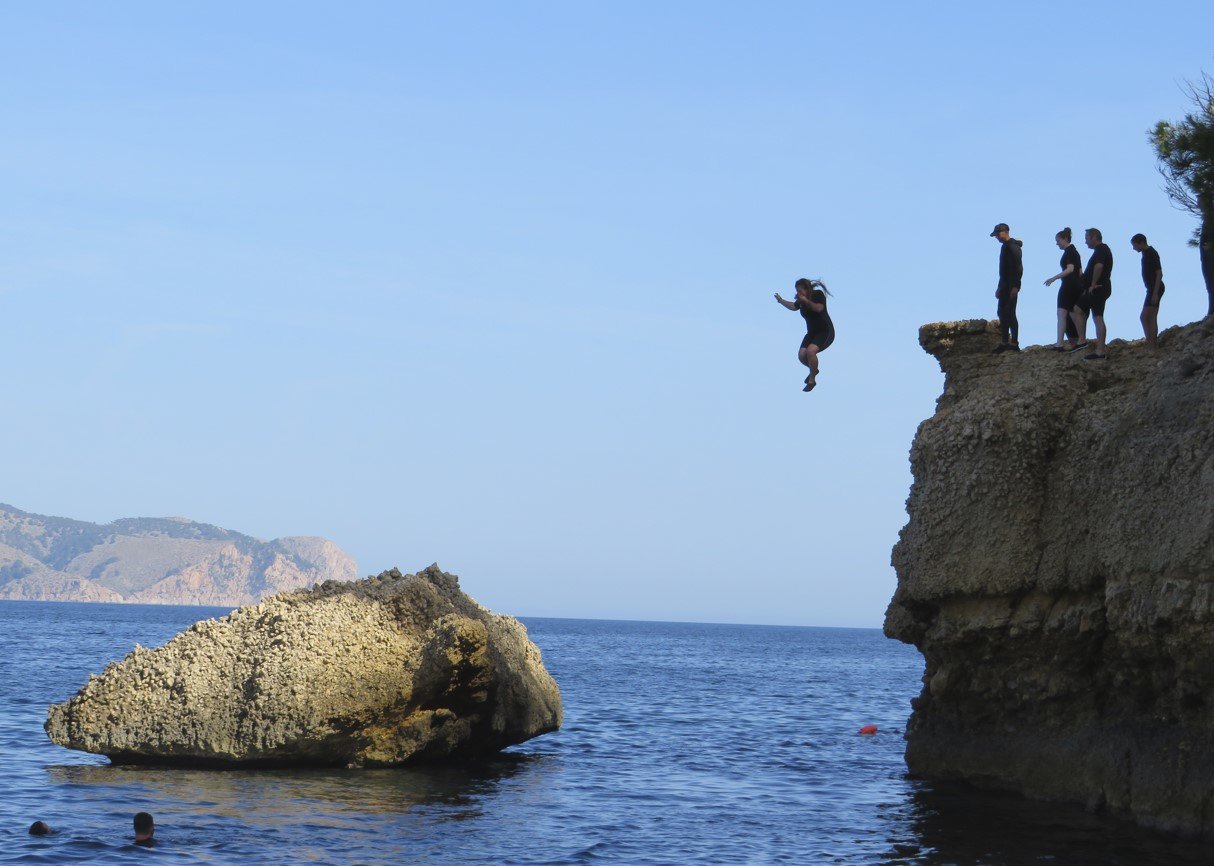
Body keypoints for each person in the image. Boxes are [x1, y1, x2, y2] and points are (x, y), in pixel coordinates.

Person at [773, 278, 835, 392]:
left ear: (807, 289)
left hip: (825, 331)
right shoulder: (801, 301)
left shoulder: (817, 294)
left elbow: (819, 308)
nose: (798, 293)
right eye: (797, 291)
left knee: (810, 351)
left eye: (800, 290)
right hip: (811, 333)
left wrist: (806, 301)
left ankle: (812, 380)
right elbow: (793, 306)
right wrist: (781, 301)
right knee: (802, 355)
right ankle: (813, 369)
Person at [1075, 228, 1113, 360]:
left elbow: (1099, 266)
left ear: (1094, 237)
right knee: (1091, 314)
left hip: (1098, 288)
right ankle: (1092, 346)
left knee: (1090, 315)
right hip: (1099, 287)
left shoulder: (1101, 249)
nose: (1085, 241)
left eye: (1087, 238)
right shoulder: (1101, 250)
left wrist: (1092, 284)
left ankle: (1096, 348)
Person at [1043, 227, 1083, 350]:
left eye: (1058, 240)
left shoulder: (1069, 252)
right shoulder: (1075, 252)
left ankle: (1059, 343)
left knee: (1061, 314)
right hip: (1076, 286)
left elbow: (1070, 269)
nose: (1057, 243)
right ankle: (1081, 339)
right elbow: (1080, 272)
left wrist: (1053, 278)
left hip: (1068, 286)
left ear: (1065, 239)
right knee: (1073, 313)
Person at [990, 223, 1023, 352]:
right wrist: (999, 287)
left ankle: (1014, 343)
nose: (997, 237)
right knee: (1002, 312)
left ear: (1005, 232)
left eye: (998, 234)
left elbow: (1019, 268)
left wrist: (1016, 286)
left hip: (1011, 285)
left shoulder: (1013, 247)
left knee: (1010, 313)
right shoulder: (1005, 247)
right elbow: (1003, 271)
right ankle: (1004, 342)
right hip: (1004, 285)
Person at [1131, 233, 1165, 348]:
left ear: (1141, 243)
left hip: (1154, 288)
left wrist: (1155, 293)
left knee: (1145, 317)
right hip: (1152, 288)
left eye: (1134, 245)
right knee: (1151, 317)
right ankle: (1152, 344)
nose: (1133, 248)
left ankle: (1151, 344)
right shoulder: (1146, 253)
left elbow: (1159, 273)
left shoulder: (1151, 253)